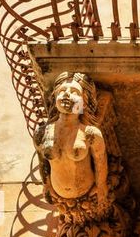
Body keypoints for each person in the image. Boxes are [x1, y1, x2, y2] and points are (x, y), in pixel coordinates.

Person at [37, 71, 110, 219]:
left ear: (84, 101)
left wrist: (101, 187)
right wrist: (46, 185)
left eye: (74, 92)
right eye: (62, 91)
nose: (66, 95)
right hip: (59, 198)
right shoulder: (43, 131)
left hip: (88, 196)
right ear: (55, 97)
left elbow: (100, 163)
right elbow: (43, 163)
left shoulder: (90, 134)